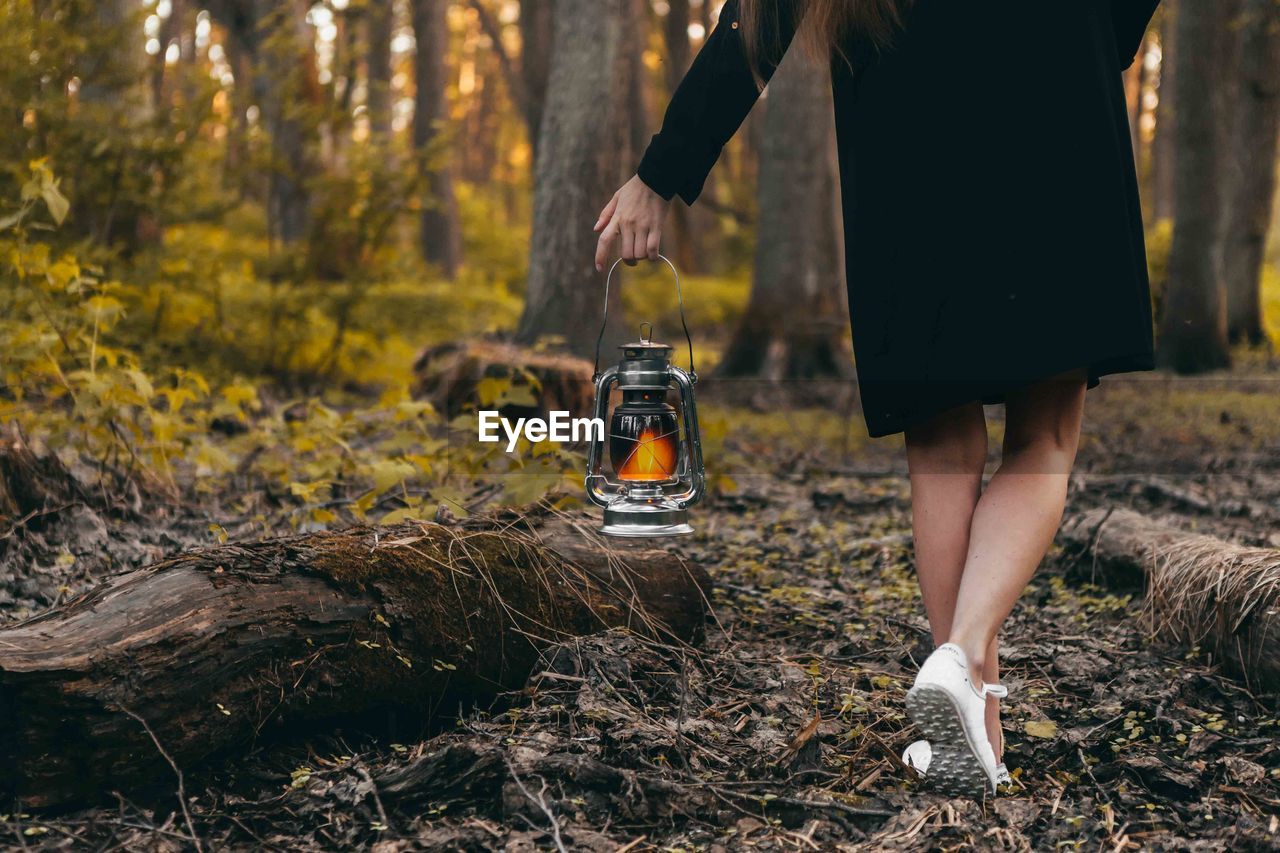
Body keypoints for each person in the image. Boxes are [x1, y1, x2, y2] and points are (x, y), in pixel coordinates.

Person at [593, 0, 1161, 797]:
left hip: (903, 104)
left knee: (938, 440)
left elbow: (759, 21)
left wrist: (664, 171)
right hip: (1054, 73)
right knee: (1046, 429)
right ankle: (960, 660)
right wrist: (1105, 38)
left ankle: (980, 733)